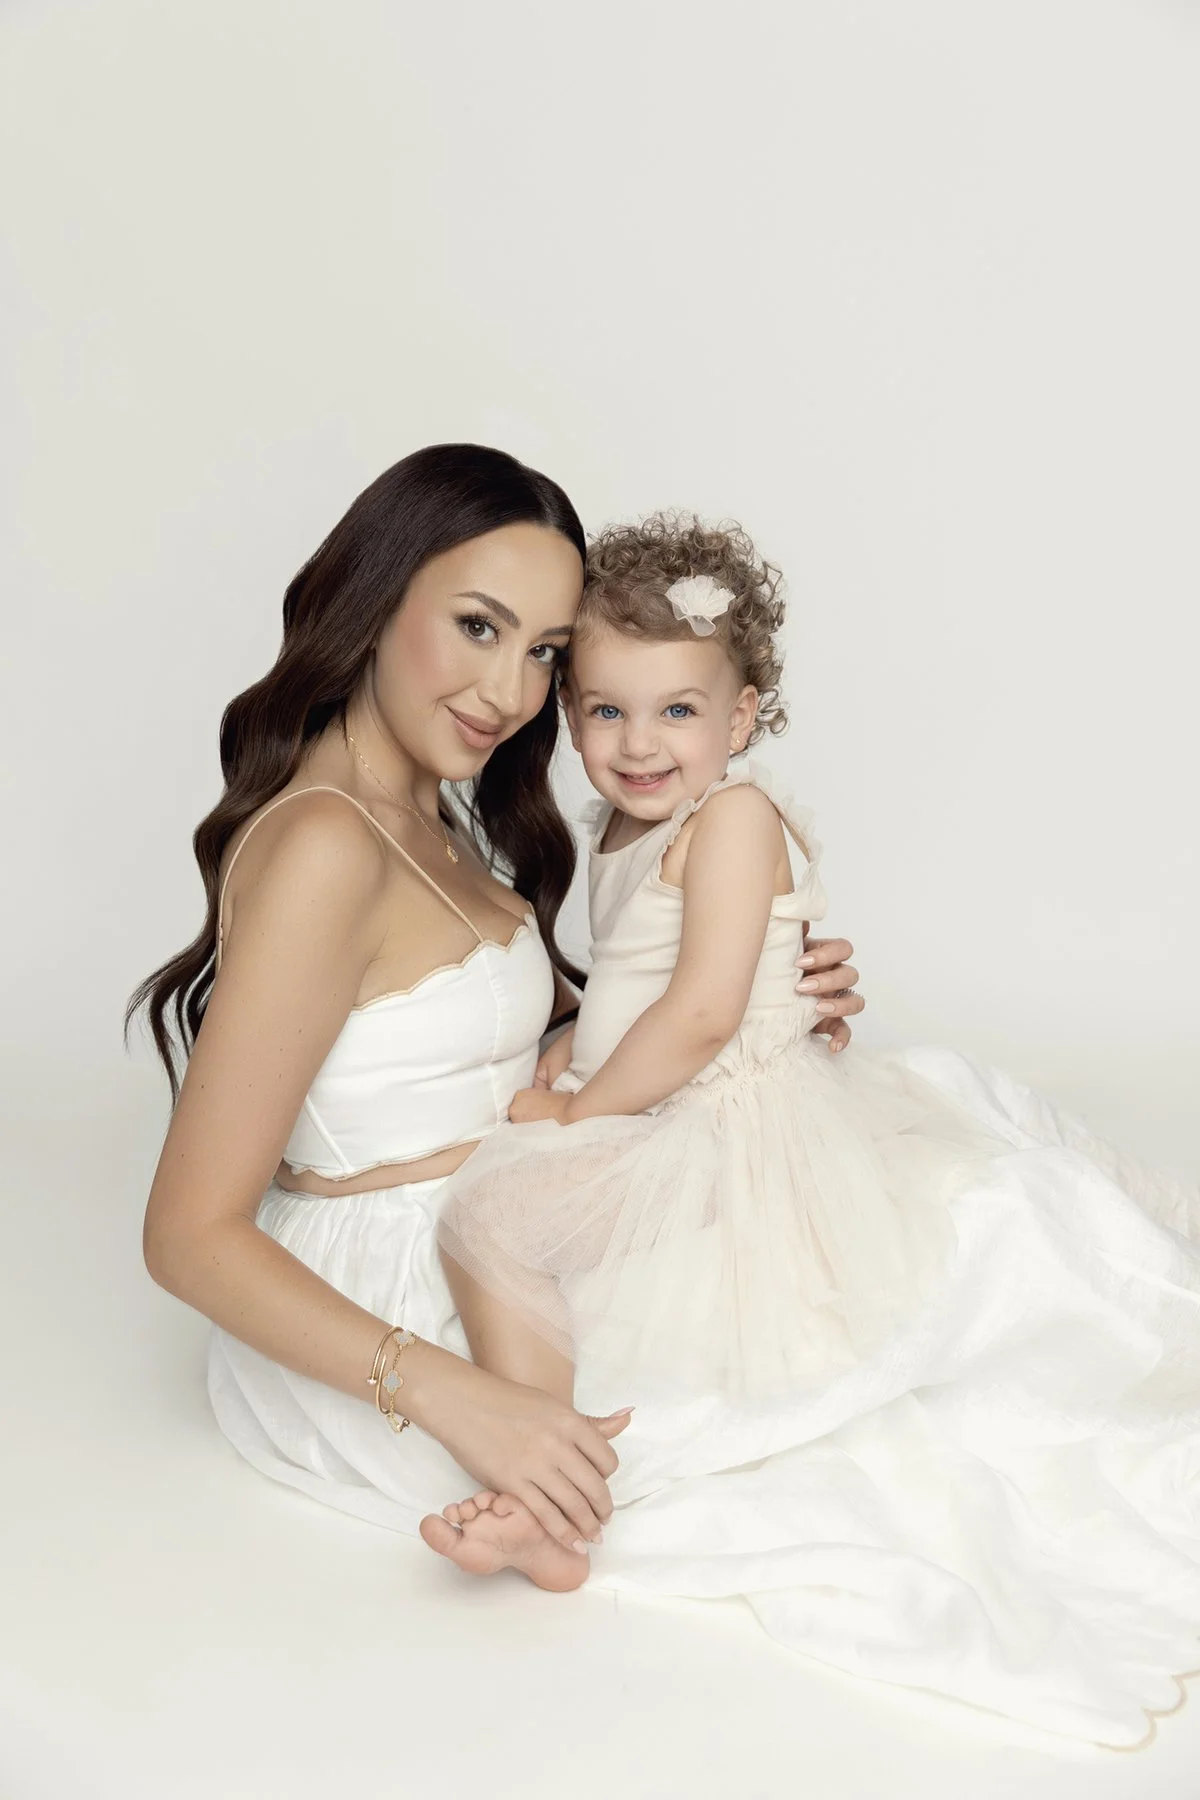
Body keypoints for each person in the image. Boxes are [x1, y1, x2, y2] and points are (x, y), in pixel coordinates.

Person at [422, 513, 1200, 1751]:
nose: (639, 743)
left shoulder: (731, 819)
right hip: (673, 1093)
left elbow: (700, 1011)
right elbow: (630, 982)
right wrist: (571, 1047)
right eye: (607, 710)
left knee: (495, 1211)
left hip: (732, 1117)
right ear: (568, 716)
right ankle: (546, 1461)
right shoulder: (616, 831)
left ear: (742, 720)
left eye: (680, 712)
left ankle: (548, 1495)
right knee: (511, 1210)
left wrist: (577, 1108)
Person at [130, 444, 862, 1581]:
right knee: (858, 1393)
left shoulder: (440, 812)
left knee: (895, 1276)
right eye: (478, 626)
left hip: (526, 1205)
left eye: (545, 655)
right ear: (375, 600)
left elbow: (518, 1048)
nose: (510, 694)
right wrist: (465, 1400)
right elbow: (185, 1234)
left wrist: (764, 993)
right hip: (405, 1300)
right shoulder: (328, 841)